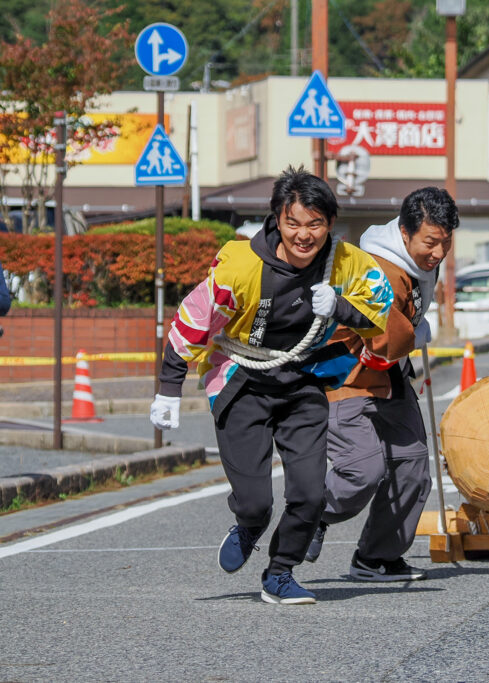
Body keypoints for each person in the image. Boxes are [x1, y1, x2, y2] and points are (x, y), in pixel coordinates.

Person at [149, 166, 393, 605]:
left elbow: (380, 307)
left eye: (315, 224)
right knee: (256, 501)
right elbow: (193, 320)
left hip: (303, 381)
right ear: (277, 220)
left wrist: (340, 306)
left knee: (310, 492)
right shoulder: (241, 265)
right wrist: (169, 386)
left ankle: (280, 572)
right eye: (294, 223)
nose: (304, 235)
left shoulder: (346, 262)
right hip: (242, 381)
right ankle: (248, 523)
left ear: (330, 224)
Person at [303, 187, 459, 581]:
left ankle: (376, 557)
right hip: (347, 374)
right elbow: (388, 335)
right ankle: (307, 518)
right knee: (362, 468)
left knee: (411, 468)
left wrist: (413, 328)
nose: (438, 253)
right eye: (430, 243)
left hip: (391, 376)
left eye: (445, 242)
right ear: (404, 234)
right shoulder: (381, 267)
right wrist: (413, 333)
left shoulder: (419, 262)